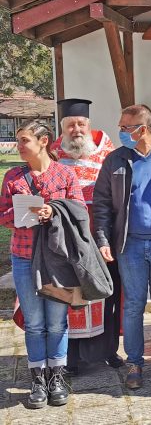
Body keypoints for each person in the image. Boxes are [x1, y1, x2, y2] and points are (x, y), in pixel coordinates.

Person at [92, 105, 151, 390]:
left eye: (125, 127)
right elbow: (103, 204)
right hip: (128, 245)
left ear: (142, 129)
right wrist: (104, 240)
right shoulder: (115, 160)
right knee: (132, 305)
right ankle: (134, 362)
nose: (120, 131)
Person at [0, 120, 84, 408]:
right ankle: (37, 378)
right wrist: (23, 212)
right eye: (19, 141)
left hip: (58, 259)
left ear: (44, 141)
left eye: (25, 140)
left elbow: (79, 211)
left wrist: (53, 211)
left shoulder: (65, 174)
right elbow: (2, 216)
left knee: (57, 322)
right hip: (24, 257)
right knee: (34, 323)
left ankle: (57, 378)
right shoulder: (13, 176)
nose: (19, 146)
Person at [51, 98, 123, 375]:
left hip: (101, 236)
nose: (76, 130)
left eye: (81, 124)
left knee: (106, 293)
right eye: (70, 125)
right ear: (63, 129)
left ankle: (108, 351)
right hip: (67, 239)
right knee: (72, 296)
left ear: (89, 126)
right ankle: (71, 357)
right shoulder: (54, 154)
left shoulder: (107, 152)